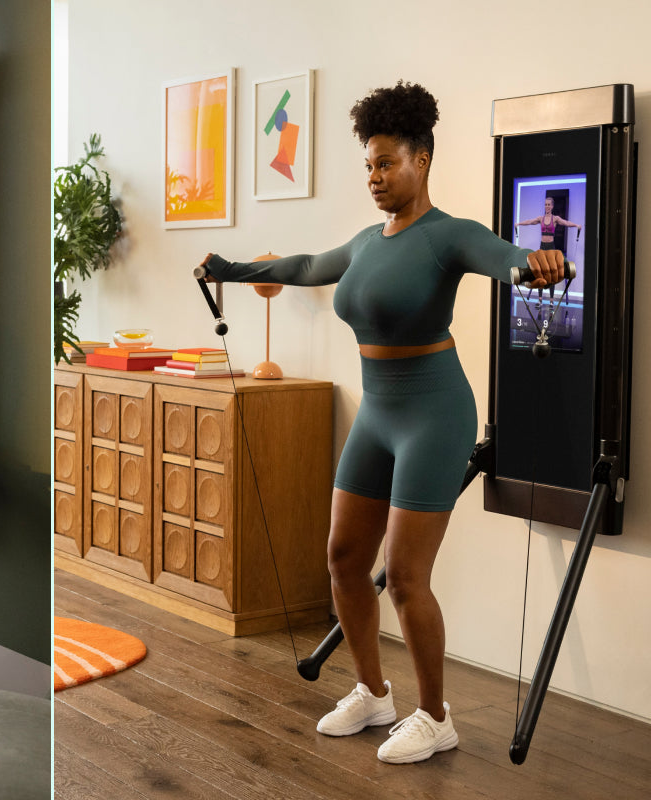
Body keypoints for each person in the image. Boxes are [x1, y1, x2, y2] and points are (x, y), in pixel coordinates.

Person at [200, 81, 563, 764]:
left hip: (434, 413)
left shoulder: (447, 236)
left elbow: (502, 255)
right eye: (368, 164)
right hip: (378, 413)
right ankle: (373, 692)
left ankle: (435, 715)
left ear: (421, 160)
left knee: (403, 576)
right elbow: (308, 266)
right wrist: (231, 267)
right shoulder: (368, 241)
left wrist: (532, 265)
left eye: (386, 163)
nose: (374, 176)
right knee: (341, 559)